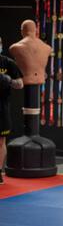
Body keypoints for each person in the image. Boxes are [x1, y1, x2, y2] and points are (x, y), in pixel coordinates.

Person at [0, 37, 24, 184]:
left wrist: (7, 80)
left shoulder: (7, 63)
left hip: (1, 107)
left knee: (1, 141)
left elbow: (20, 84)